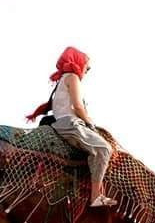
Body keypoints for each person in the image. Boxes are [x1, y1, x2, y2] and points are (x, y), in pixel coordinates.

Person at [26, 46, 117, 208]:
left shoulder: (64, 78)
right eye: (86, 65)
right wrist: (90, 123)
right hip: (71, 124)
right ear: (78, 61)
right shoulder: (73, 77)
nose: (87, 69)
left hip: (64, 123)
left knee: (94, 152)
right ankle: (96, 196)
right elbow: (77, 107)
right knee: (105, 149)